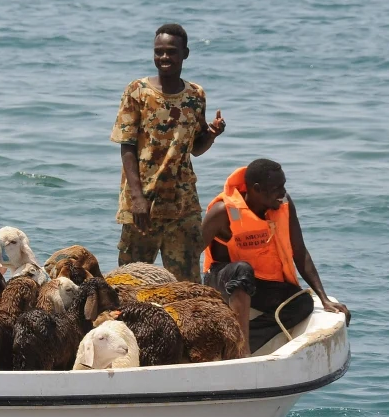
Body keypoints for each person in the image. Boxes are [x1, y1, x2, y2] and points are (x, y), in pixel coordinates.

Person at [111, 22, 227, 281]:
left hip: (183, 209)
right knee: (131, 283)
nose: (164, 57)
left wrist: (212, 134)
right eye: (159, 52)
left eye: (171, 52)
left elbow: (195, 149)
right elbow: (127, 147)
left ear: (185, 54)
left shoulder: (195, 95)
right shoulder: (137, 91)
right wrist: (137, 199)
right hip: (142, 209)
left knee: (185, 286)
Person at [201, 159, 350, 355]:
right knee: (242, 269)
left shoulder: (283, 206)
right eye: (276, 188)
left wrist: (323, 298)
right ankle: (241, 350)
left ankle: (235, 341)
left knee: (302, 303)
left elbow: (300, 251)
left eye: (284, 185)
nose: (283, 193)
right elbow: (191, 250)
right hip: (223, 280)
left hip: (256, 282)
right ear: (256, 189)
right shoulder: (223, 212)